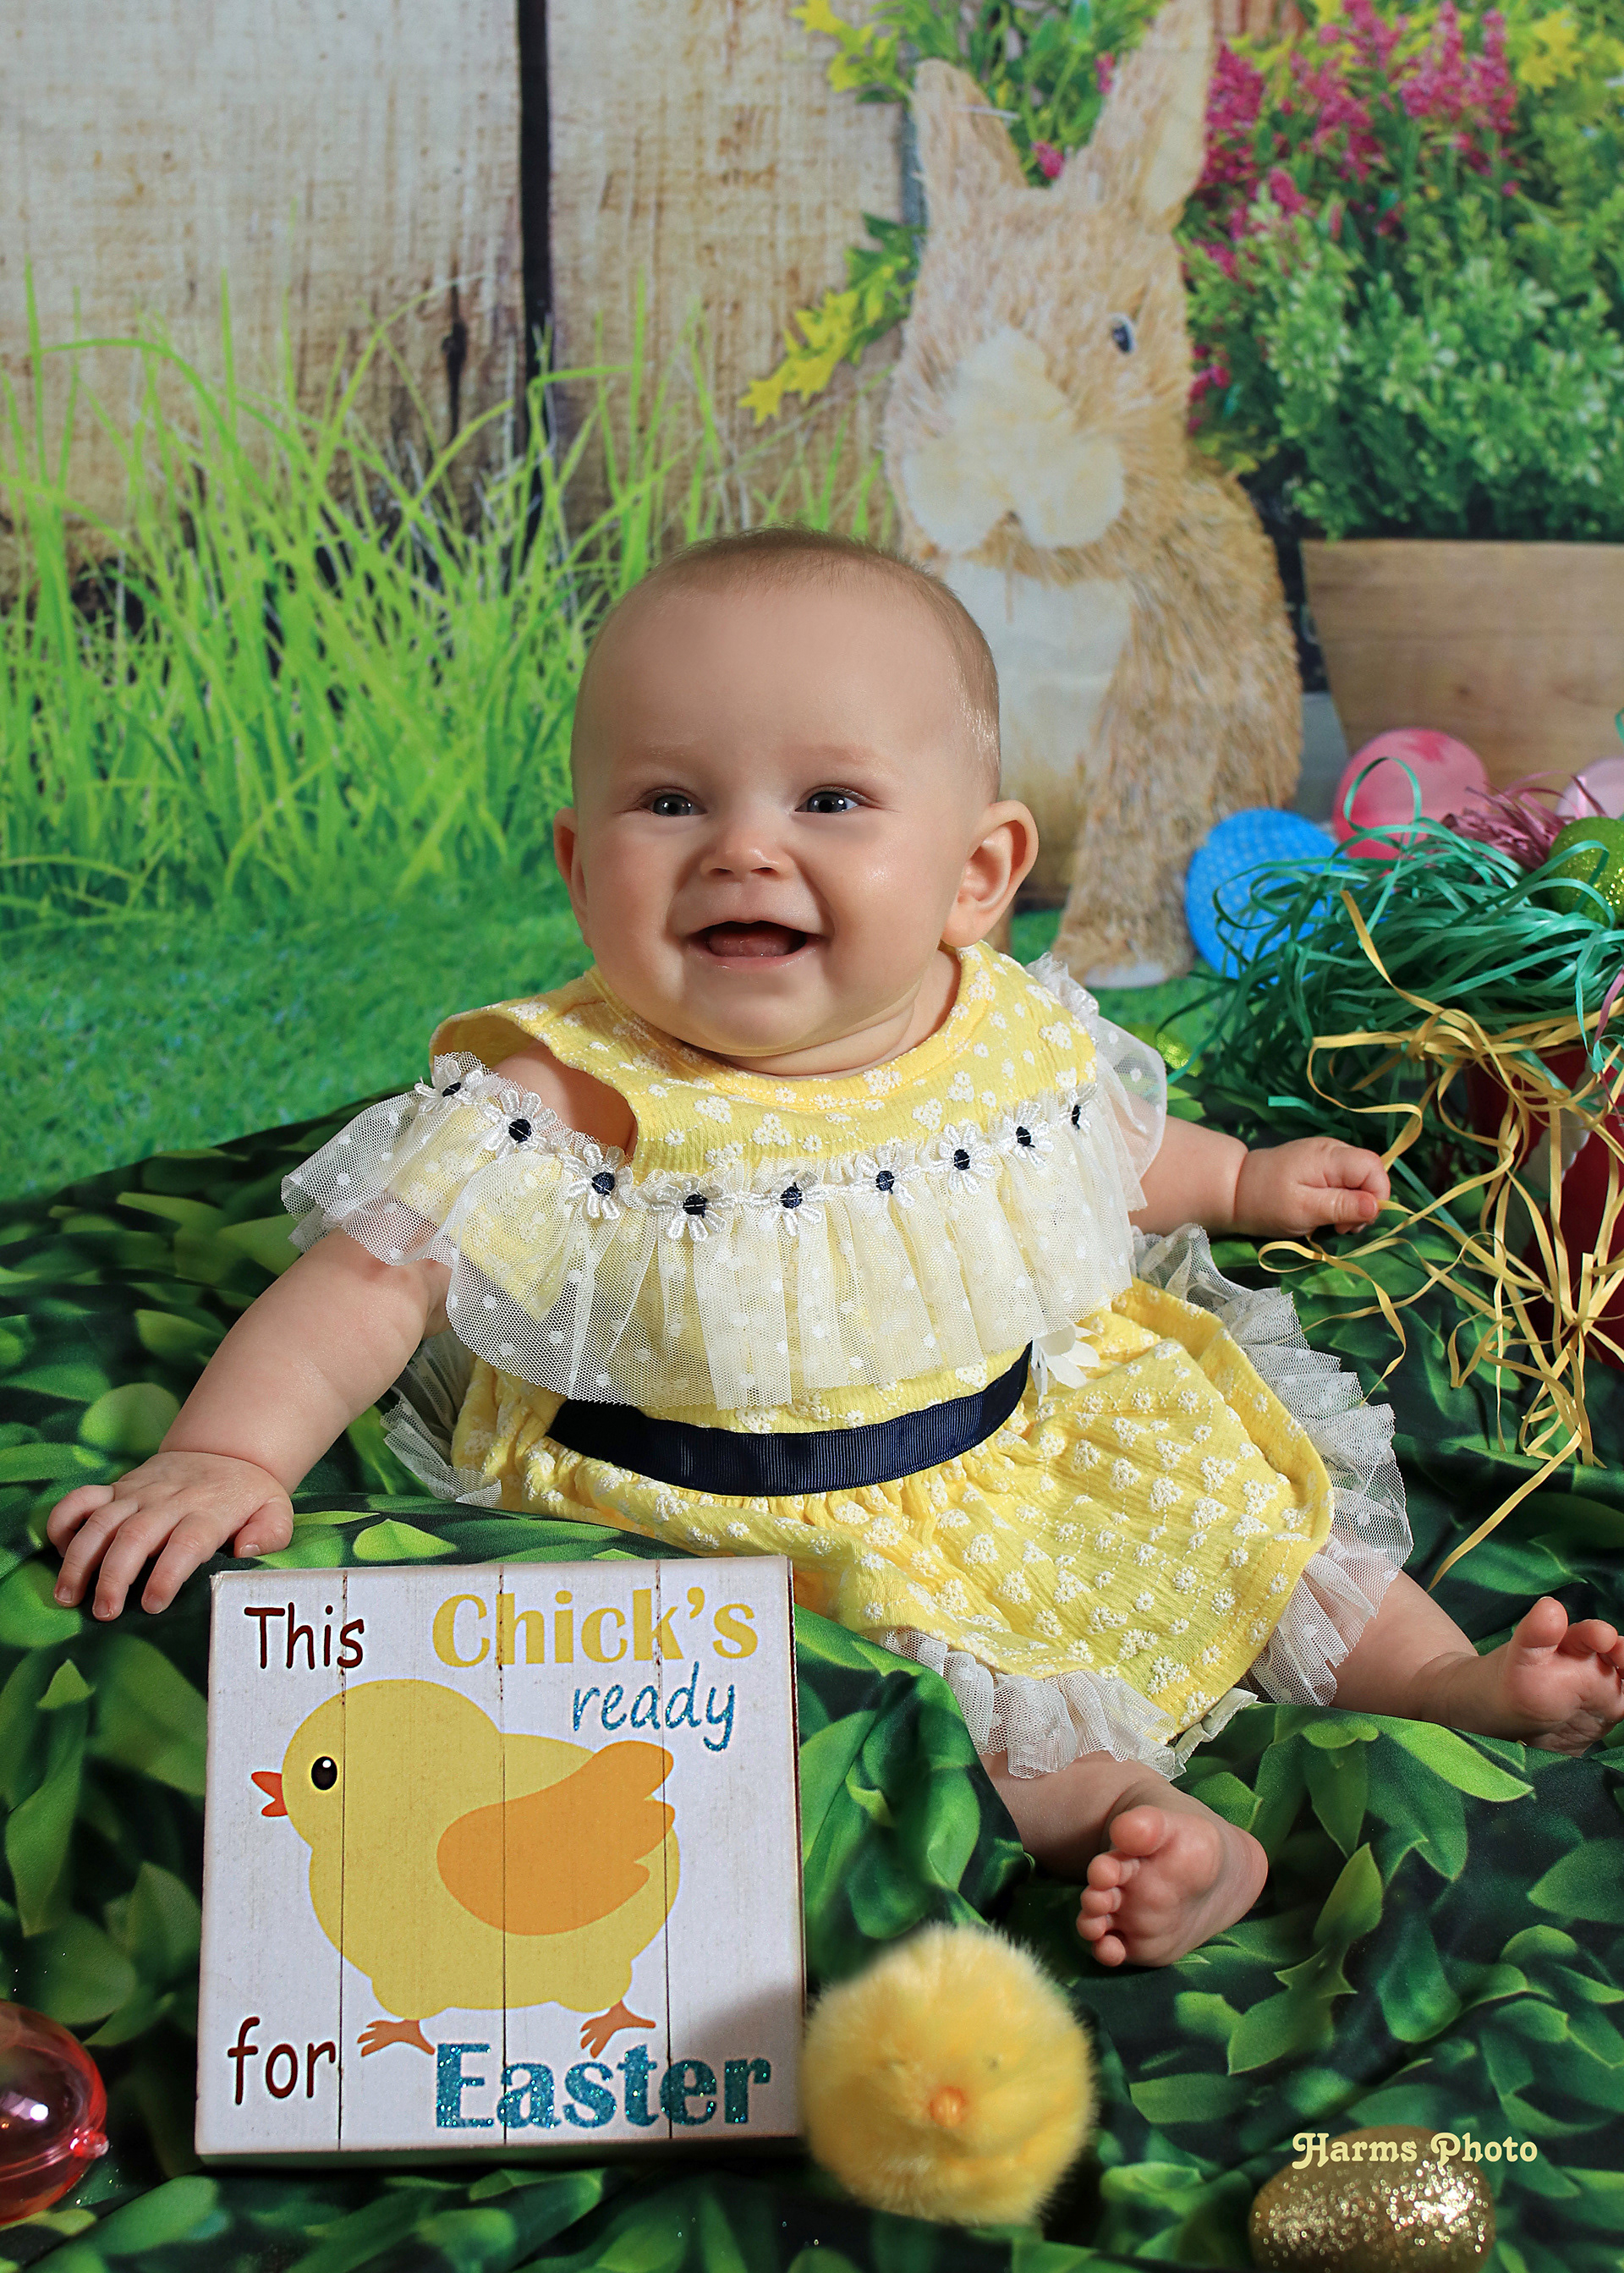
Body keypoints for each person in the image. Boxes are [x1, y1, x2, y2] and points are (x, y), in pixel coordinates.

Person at [47, 528, 1624, 1969]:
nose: (743, 849)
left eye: (830, 802)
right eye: (672, 802)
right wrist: (226, 1455)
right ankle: (1151, 1829)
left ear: (976, 875)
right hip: (721, 1515)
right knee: (938, 1721)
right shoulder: (569, 1096)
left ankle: (1439, 1680)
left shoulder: (1001, 1029)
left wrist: (1247, 1182)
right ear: (580, 867)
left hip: (1019, 1441)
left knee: (1258, 1522)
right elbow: (371, 1285)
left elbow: (1096, 1151)